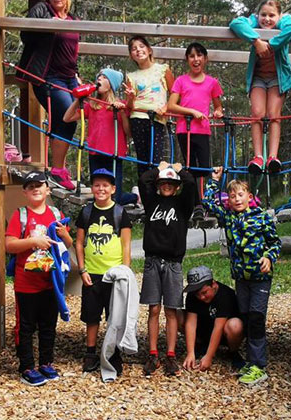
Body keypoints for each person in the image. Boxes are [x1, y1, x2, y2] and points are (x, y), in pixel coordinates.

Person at [202, 167, 279, 386]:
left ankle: (259, 365)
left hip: (260, 278)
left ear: (250, 197)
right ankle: (250, 361)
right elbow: (207, 203)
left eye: (241, 194)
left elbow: (275, 243)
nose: (236, 199)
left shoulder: (261, 217)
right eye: (233, 196)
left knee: (256, 318)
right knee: (245, 317)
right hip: (241, 278)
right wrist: (214, 180)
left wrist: (269, 258)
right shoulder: (228, 217)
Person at [4, 171, 74, 386]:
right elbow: (9, 245)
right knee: (25, 326)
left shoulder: (54, 213)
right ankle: (26, 366)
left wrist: (63, 235)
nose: (36, 189)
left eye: (39, 185)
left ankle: (46, 362)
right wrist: (33, 241)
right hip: (26, 281)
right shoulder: (20, 215)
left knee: (48, 325)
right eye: (30, 186)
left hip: (50, 281)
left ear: (48, 189)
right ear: (25, 191)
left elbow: (68, 244)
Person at [17, 0, 82, 190]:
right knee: (66, 111)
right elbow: (25, 34)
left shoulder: (73, 20)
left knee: (73, 116)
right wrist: (47, 25)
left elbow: (73, 52)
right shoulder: (42, 10)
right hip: (46, 76)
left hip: (69, 77)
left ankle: (58, 170)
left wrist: (77, 75)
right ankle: (56, 170)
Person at [137, 161, 197, 376]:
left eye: (171, 183)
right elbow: (143, 180)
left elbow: (191, 184)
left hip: (173, 263)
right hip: (152, 261)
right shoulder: (152, 202)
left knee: (171, 310)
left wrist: (179, 170)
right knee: (153, 309)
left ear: (176, 185)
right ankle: (153, 354)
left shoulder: (182, 205)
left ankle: (170, 355)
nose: (166, 186)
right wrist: (159, 169)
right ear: (158, 184)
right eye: (163, 182)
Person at [229, 0, 291, 174]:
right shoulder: (254, 22)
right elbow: (236, 23)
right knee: (257, 114)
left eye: (271, 15)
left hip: (278, 78)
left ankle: (272, 156)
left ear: (279, 16)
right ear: (257, 15)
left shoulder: (284, 21)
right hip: (258, 78)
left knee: (273, 114)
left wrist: (272, 45)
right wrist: (256, 41)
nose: (267, 19)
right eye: (263, 15)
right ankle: (258, 156)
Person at [73, 168, 134, 374]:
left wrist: (125, 271)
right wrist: (82, 269)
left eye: (105, 185)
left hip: (114, 274)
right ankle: (90, 352)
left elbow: (126, 245)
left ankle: (113, 353)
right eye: (97, 185)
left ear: (113, 189)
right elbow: (79, 243)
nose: (101, 189)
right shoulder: (86, 212)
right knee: (91, 315)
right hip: (92, 273)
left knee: (114, 315)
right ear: (92, 188)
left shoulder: (119, 213)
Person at [63, 69, 131, 200]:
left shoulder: (120, 105)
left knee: (114, 196)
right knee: (98, 194)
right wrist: (78, 100)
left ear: (111, 84)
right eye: (99, 76)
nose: (99, 79)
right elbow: (67, 118)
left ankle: (133, 197)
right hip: (94, 153)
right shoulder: (92, 105)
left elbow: (128, 132)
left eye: (104, 77)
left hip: (114, 154)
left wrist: (122, 112)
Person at [166, 43, 223, 178]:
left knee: (204, 168)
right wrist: (192, 111)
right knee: (189, 168)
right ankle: (192, 199)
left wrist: (218, 112)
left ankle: (205, 198)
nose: (196, 59)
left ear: (205, 59)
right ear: (187, 60)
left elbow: (218, 106)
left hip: (203, 130)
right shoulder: (181, 81)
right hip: (184, 130)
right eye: (192, 56)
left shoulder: (212, 82)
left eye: (199, 55)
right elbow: (171, 105)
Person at [121, 36, 174, 173]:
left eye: (141, 46)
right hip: (137, 118)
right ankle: (144, 192)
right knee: (142, 160)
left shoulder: (163, 69)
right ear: (131, 56)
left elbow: (175, 93)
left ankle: (156, 192)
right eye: (134, 49)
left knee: (156, 161)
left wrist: (165, 108)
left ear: (149, 50)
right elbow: (130, 106)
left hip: (157, 119)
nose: (138, 50)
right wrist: (131, 97)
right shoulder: (131, 76)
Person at [181, 266, 246, 373]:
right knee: (178, 315)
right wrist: (190, 353)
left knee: (235, 325)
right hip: (203, 330)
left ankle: (233, 351)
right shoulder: (192, 295)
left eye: (204, 292)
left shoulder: (225, 294)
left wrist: (209, 357)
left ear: (214, 284)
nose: (201, 297)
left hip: (224, 334)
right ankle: (199, 345)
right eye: (197, 294)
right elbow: (190, 324)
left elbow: (218, 328)